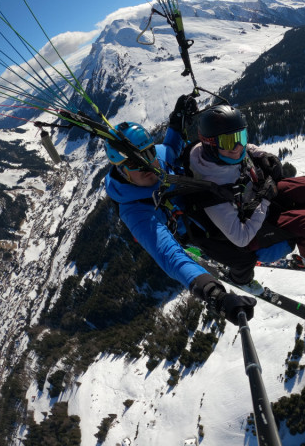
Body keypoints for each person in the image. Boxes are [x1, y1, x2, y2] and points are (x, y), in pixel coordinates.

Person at [103, 96, 256, 325]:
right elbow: (168, 254)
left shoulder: (158, 157)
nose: (149, 164)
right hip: (195, 233)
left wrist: (177, 120)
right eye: (136, 162)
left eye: (149, 153)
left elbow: (170, 148)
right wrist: (214, 294)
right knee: (244, 253)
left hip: (201, 205)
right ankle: (241, 274)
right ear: (122, 170)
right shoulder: (136, 211)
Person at [185, 103, 305, 291]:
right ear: (210, 144)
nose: (238, 147)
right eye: (229, 142)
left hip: (258, 201)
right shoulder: (212, 188)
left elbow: (245, 149)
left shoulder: (214, 153)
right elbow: (241, 237)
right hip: (251, 228)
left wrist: (262, 155)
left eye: (241, 137)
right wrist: (265, 198)